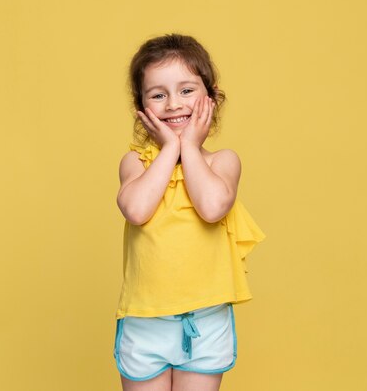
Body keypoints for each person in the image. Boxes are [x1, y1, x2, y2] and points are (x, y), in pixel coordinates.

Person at [113, 34, 265, 391]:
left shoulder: (222, 162)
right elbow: (136, 210)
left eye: (186, 90)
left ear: (209, 98)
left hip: (205, 321)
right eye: (158, 94)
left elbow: (212, 207)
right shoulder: (136, 163)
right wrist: (169, 148)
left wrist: (190, 148)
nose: (172, 104)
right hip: (145, 322)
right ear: (142, 107)